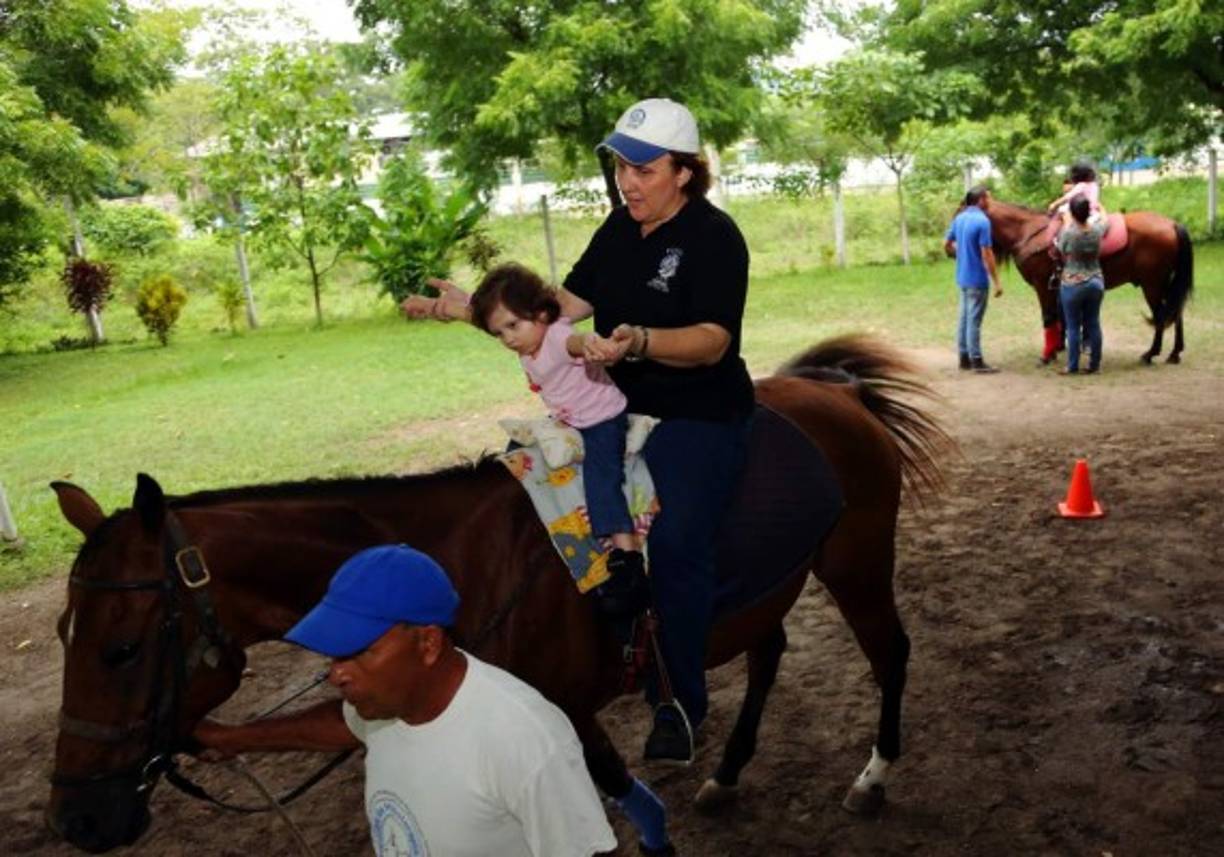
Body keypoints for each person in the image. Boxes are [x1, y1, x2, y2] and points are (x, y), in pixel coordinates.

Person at [405, 97, 753, 765]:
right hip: (610, 405)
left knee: (676, 540)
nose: (628, 179)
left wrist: (638, 341)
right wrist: (472, 310)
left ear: (684, 171)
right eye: (622, 164)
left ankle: (678, 699)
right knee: (516, 488)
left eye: (644, 168)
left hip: (697, 411)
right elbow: (555, 307)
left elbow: (713, 340)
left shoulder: (714, 237)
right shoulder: (620, 228)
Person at [193, 545, 617, 857]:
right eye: (335, 655)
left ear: (428, 643)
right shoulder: (387, 708)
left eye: (357, 652)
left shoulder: (525, 740)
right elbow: (343, 725)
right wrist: (236, 738)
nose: (336, 674)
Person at [466, 262, 647, 611]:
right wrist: (443, 307)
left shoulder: (557, 337)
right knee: (519, 455)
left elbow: (577, 342)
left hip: (600, 419)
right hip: (568, 418)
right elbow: (486, 314)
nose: (509, 339)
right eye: (499, 333)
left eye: (513, 326)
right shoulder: (528, 342)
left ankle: (628, 561)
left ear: (541, 313)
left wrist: (594, 344)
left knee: (601, 479)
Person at [944, 185, 1004, 373]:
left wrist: (959, 255)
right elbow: (987, 253)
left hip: (962, 277)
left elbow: (947, 244)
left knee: (963, 318)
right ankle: (977, 360)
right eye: (989, 198)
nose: (991, 202)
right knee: (974, 320)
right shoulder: (982, 221)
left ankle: (964, 358)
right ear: (981, 200)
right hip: (977, 279)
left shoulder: (960, 218)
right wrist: (996, 281)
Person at [1056, 194, 1109, 374]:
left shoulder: (1069, 232)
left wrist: (1066, 221)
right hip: (1096, 280)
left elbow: (1061, 249)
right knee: (1093, 323)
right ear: (1088, 212)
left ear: (1072, 211)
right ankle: (1094, 365)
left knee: (1072, 327)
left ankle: (1072, 366)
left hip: (1073, 283)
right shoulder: (1096, 230)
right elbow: (1105, 221)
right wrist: (1101, 208)